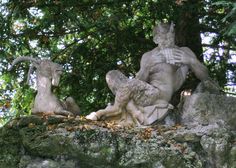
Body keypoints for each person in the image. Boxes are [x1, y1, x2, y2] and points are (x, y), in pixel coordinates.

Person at [86, 22, 209, 126]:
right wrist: (147, 67)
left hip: (159, 95)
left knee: (131, 84)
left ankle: (115, 109)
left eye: (171, 35)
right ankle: (132, 109)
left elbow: (205, 76)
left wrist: (191, 61)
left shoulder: (182, 52)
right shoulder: (148, 56)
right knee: (112, 75)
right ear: (156, 39)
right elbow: (139, 80)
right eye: (164, 36)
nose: (168, 39)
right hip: (146, 92)